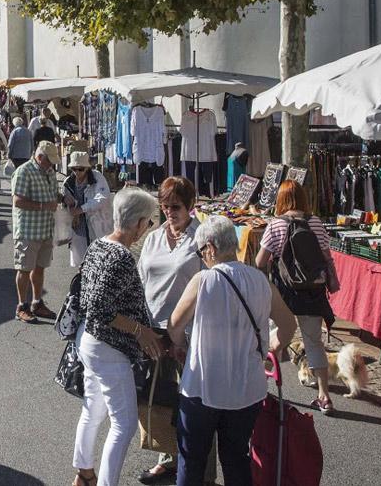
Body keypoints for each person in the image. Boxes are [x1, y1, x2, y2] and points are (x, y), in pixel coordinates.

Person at [168, 216, 296, 486]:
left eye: (201, 251)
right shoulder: (261, 281)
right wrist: (273, 344)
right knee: (237, 459)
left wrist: (180, 345)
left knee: (191, 460)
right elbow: (287, 324)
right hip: (246, 389)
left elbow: (175, 325)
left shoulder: (203, 280)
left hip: (203, 387)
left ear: (211, 247)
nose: (202, 257)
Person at [72, 188, 164, 486]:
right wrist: (140, 330)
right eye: (148, 222)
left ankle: (84, 472)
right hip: (108, 348)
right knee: (123, 424)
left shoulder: (99, 245)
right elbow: (100, 306)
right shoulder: (122, 257)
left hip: (90, 341)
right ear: (137, 222)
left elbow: (90, 301)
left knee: (93, 408)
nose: (147, 228)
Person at [137, 177, 201, 485]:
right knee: (159, 398)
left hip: (188, 332)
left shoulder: (201, 238)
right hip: (153, 330)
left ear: (191, 205)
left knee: (192, 402)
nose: (169, 212)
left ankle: (195, 465)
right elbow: (141, 279)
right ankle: (167, 456)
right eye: (164, 206)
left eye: (175, 206)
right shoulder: (153, 237)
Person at [254, 179, 339, 414]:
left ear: (280, 200)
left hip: (284, 294)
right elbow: (326, 256)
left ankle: (259, 386)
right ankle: (324, 397)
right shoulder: (316, 223)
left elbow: (260, 261)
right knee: (314, 343)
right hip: (312, 293)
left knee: (274, 341)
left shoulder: (275, 225)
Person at [11, 141, 61, 323]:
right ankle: (21, 306)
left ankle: (37, 302)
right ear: (40, 157)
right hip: (28, 230)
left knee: (40, 268)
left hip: (46, 228)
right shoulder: (24, 171)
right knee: (24, 268)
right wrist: (43, 206)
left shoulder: (49, 171)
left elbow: (53, 193)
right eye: (49, 161)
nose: (52, 165)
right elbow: (18, 201)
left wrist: (64, 198)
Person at [62, 152, 113, 269]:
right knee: (81, 261)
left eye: (81, 169)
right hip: (78, 227)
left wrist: (81, 209)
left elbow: (102, 198)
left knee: (99, 260)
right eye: (74, 169)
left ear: (87, 168)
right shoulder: (68, 183)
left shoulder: (97, 177)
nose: (77, 172)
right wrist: (67, 203)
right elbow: (65, 205)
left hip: (97, 224)